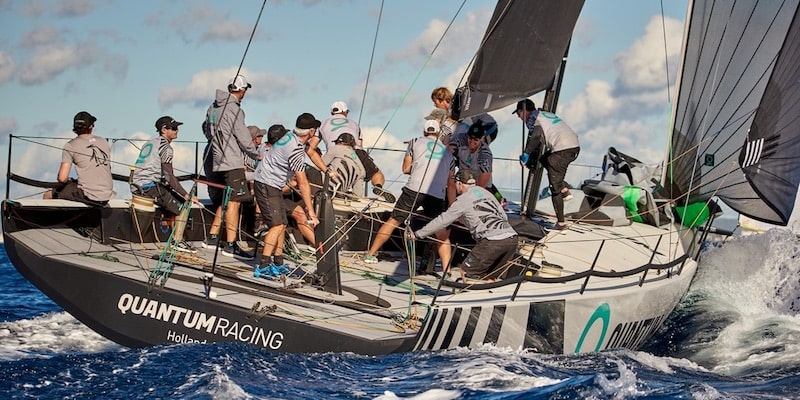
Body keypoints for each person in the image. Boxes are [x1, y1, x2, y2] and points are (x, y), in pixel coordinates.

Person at [364, 119, 455, 270]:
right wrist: (452, 206)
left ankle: (370, 254)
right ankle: (447, 269)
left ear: (424, 132)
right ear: (439, 133)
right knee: (441, 232)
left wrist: (419, 167)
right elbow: (451, 184)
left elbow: (406, 169)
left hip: (414, 188)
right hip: (436, 194)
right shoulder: (449, 155)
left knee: (394, 220)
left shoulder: (414, 142)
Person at [409, 170, 518, 281]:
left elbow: (442, 221)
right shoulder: (486, 192)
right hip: (512, 238)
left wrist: (418, 234)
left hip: (492, 241)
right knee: (489, 275)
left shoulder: (462, 200)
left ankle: (468, 291)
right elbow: (503, 216)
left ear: (459, 183)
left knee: (466, 271)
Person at [252, 115, 320, 276]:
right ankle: (263, 266)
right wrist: (311, 211)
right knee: (276, 226)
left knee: (282, 224)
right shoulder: (295, 150)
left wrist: (327, 170)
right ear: (310, 132)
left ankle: (278, 262)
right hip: (266, 183)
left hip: (273, 184)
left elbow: (310, 152)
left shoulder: (291, 135)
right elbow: (303, 183)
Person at [201, 74, 259, 257]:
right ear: (241, 90)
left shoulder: (213, 107)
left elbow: (206, 130)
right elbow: (244, 137)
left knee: (225, 200)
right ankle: (231, 245)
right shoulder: (235, 109)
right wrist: (257, 155)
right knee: (235, 201)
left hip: (215, 161)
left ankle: (212, 237)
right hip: (232, 162)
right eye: (245, 89)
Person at [132, 116, 198, 253]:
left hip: (136, 184)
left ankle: (175, 238)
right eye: (173, 128)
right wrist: (187, 195)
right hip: (149, 186)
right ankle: (177, 241)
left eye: (177, 128)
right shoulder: (166, 148)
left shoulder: (150, 143)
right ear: (163, 130)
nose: (177, 130)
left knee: (172, 195)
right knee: (184, 204)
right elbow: (169, 176)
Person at [516, 99, 580, 230]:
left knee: (554, 186)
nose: (519, 117)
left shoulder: (532, 118)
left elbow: (536, 135)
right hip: (573, 145)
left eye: (518, 113)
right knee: (545, 159)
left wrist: (526, 154)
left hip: (563, 149)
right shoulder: (544, 114)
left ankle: (561, 223)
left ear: (524, 111)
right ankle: (564, 189)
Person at [52, 111, 114, 206]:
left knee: (49, 194)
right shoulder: (103, 141)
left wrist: (66, 179)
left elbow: (62, 178)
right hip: (107, 195)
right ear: (91, 127)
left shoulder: (70, 145)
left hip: (89, 196)